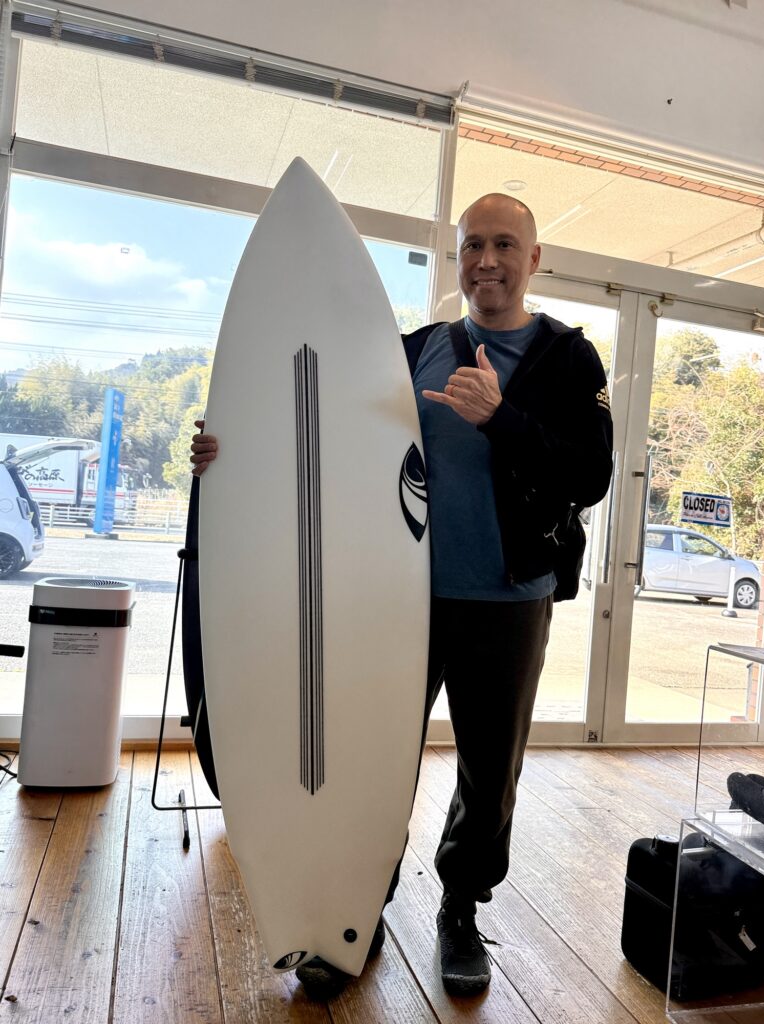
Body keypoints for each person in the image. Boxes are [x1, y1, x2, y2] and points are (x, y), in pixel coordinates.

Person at [190, 193, 613, 998]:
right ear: (458, 256)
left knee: (489, 771)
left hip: (507, 599)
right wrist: (230, 449)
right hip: (396, 600)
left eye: (505, 244)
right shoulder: (413, 350)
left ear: (533, 259)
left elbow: (589, 475)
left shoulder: (568, 358)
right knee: (368, 757)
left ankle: (460, 909)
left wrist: (501, 419)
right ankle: (355, 909)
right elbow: (323, 436)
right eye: (473, 244)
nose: (487, 260)